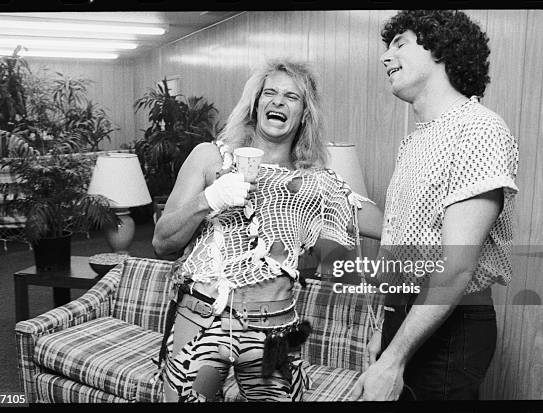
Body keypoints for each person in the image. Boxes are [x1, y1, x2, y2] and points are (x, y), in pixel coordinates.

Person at [152, 59, 383, 402]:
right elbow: (161, 242)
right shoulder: (209, 158)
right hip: (201, 319)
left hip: (274, 330)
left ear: (304, 113)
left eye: (291, 96)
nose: (277, 101)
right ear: (256, 103)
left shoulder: (313, 183)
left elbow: (386, 225)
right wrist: (209, 198)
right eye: (269, 93)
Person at [350, 10, 519, 401]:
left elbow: (456, 268)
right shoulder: (416, 140)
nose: (384, 57)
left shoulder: (478, 129)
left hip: (451, 326)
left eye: (399, 44)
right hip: (412, 316)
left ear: (439, 49)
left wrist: (393, 359)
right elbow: (407, 238)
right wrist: (388, 325)